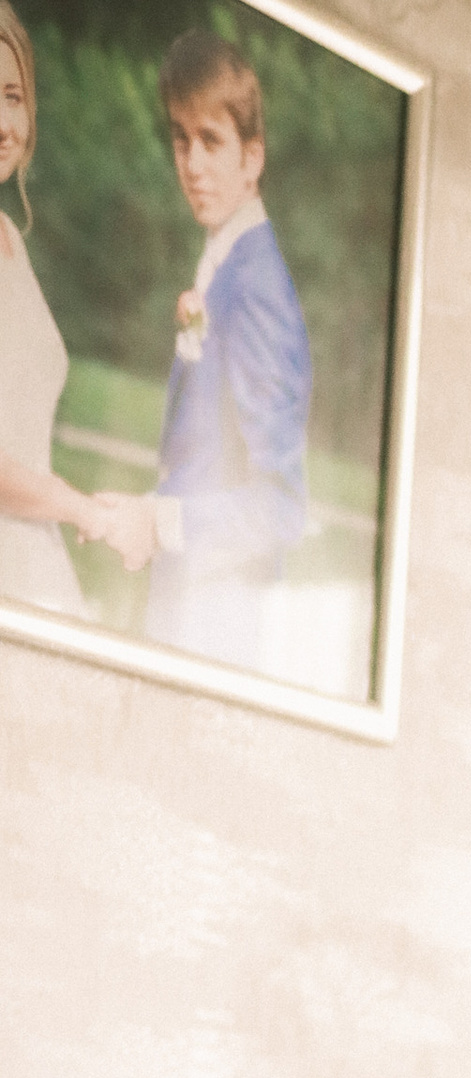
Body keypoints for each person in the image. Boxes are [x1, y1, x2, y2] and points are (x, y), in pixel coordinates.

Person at [90, 30, 312, 668]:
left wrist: (157, 525)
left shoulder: (258, 286)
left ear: (253, 157)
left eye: (212, 141)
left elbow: (282, 508)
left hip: (219, 624)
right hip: (184, 602)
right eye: (181, 140)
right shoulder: (226, 258)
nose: (191, 164)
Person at [0, 7, 139, 610]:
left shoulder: (9, 237)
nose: (6, 122)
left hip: (34, 561)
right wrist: (83, 509)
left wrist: (79, 506)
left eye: (13, 96)